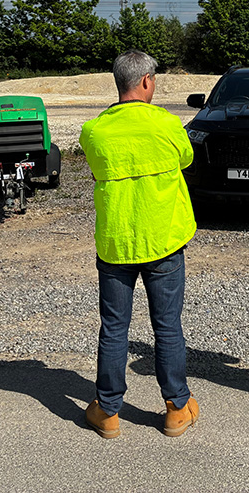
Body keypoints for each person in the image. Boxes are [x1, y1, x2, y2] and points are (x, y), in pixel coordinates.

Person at [79, 50, 199, 439]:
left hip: (116, 243)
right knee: (167, 326)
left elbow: (97, 168)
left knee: (114, 327)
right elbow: (186, 158)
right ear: (147, 81)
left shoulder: (94, 131)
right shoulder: (166, 124)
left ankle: (107, 411)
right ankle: (176, 408)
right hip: (163, 239)